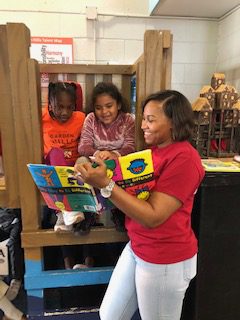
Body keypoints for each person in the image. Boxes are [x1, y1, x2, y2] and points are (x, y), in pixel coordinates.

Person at [75, 90, 205, 320]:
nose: (143, 125)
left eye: (151, 120)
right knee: (110, 315)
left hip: (165, 257)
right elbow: (126, 194)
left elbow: (153, 216)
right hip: (139, 246)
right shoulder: (151, 152)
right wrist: (91, 179)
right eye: (144, 118)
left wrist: (106, 185)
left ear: (174, 122)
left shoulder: (185, 158)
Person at [77, 81, 135, 234]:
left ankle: (120, 211)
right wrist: (97, 155)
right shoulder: (90, 119)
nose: (104, 111)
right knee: (80, 163)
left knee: (132, 164)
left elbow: (130, 147)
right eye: (98, 107)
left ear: (119, 105)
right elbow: (83, 147)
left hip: (118, 165)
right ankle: (87, 212)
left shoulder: (128, 120)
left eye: (109, 106)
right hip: (94, 163)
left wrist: (113, 155)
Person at [42, 81, 85, 232]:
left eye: (69, 107)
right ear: (50, 103)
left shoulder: (80, 118)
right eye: (60, 106)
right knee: (55, 152)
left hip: (73, 168)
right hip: (52, 167)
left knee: (83, 162)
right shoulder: (41, 116)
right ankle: (69, 208)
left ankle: (62, 216)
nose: (65, 112)